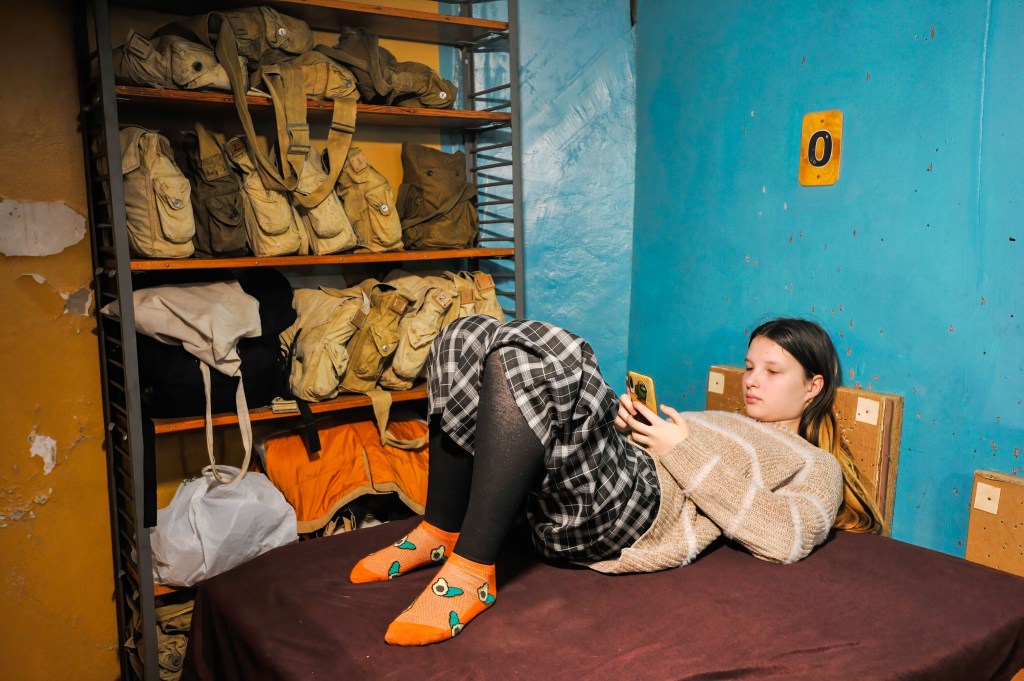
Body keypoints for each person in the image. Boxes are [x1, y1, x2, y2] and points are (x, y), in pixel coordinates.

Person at [348, 315, 882, 646]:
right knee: (463, 337)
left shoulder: (815, 463)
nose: (751, 382)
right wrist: (630, 429)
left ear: (813, 387)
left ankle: (470, 574)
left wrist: (680, 447)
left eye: (773, 371)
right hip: (609, 479)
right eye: (749, 367)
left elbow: (786, 536)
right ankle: (440, 527)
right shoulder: (721, 419)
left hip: (638, 517)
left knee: (552, 352)